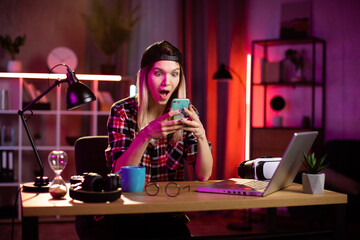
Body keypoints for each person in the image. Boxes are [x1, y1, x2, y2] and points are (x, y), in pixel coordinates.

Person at [76, 40, 212, 239]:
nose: (167, 82)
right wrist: (146, 135)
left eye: (174, 74)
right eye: (159, 73)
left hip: (166, 214)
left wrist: (201, 136)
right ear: (145, 77)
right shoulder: (122, 111)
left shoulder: (185, 113)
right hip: (125, 213)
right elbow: (119, 173)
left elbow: (204, 174)